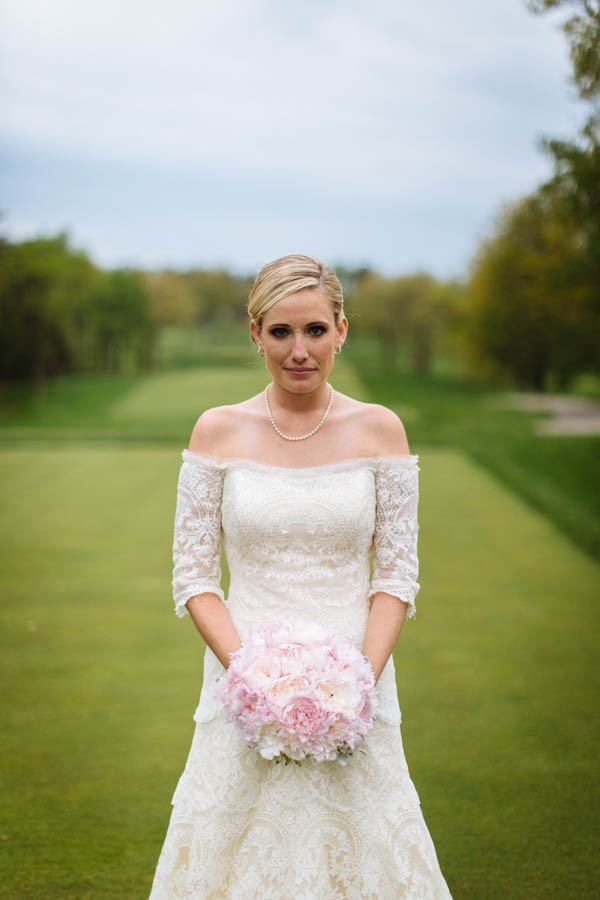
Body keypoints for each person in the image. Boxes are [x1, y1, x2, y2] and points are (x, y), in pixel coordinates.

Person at [149, 253, 453, 899]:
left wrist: (354, 688)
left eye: (315, 330)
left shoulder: (381, 429)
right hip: (240, 675)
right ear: (254, 333)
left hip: (357, 679)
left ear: (342, 329)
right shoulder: (216, 430)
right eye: (280, 332)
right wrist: (254, 681)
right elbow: (194, 575)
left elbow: (396, 575)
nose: (299, 351)